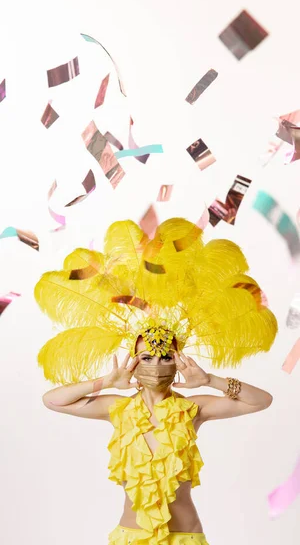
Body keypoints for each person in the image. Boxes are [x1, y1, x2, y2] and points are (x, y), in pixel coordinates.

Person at [35, 217, 278, 544]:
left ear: (178, 363)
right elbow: (52, 400)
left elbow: (261, 400)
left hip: (185, 538)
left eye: (165, 356)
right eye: (146, 357)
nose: (156, 364)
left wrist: (210, 379)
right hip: (131, 538)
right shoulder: (117, 410)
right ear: (134, 364)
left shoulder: (193, 409)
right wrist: (106, 381)